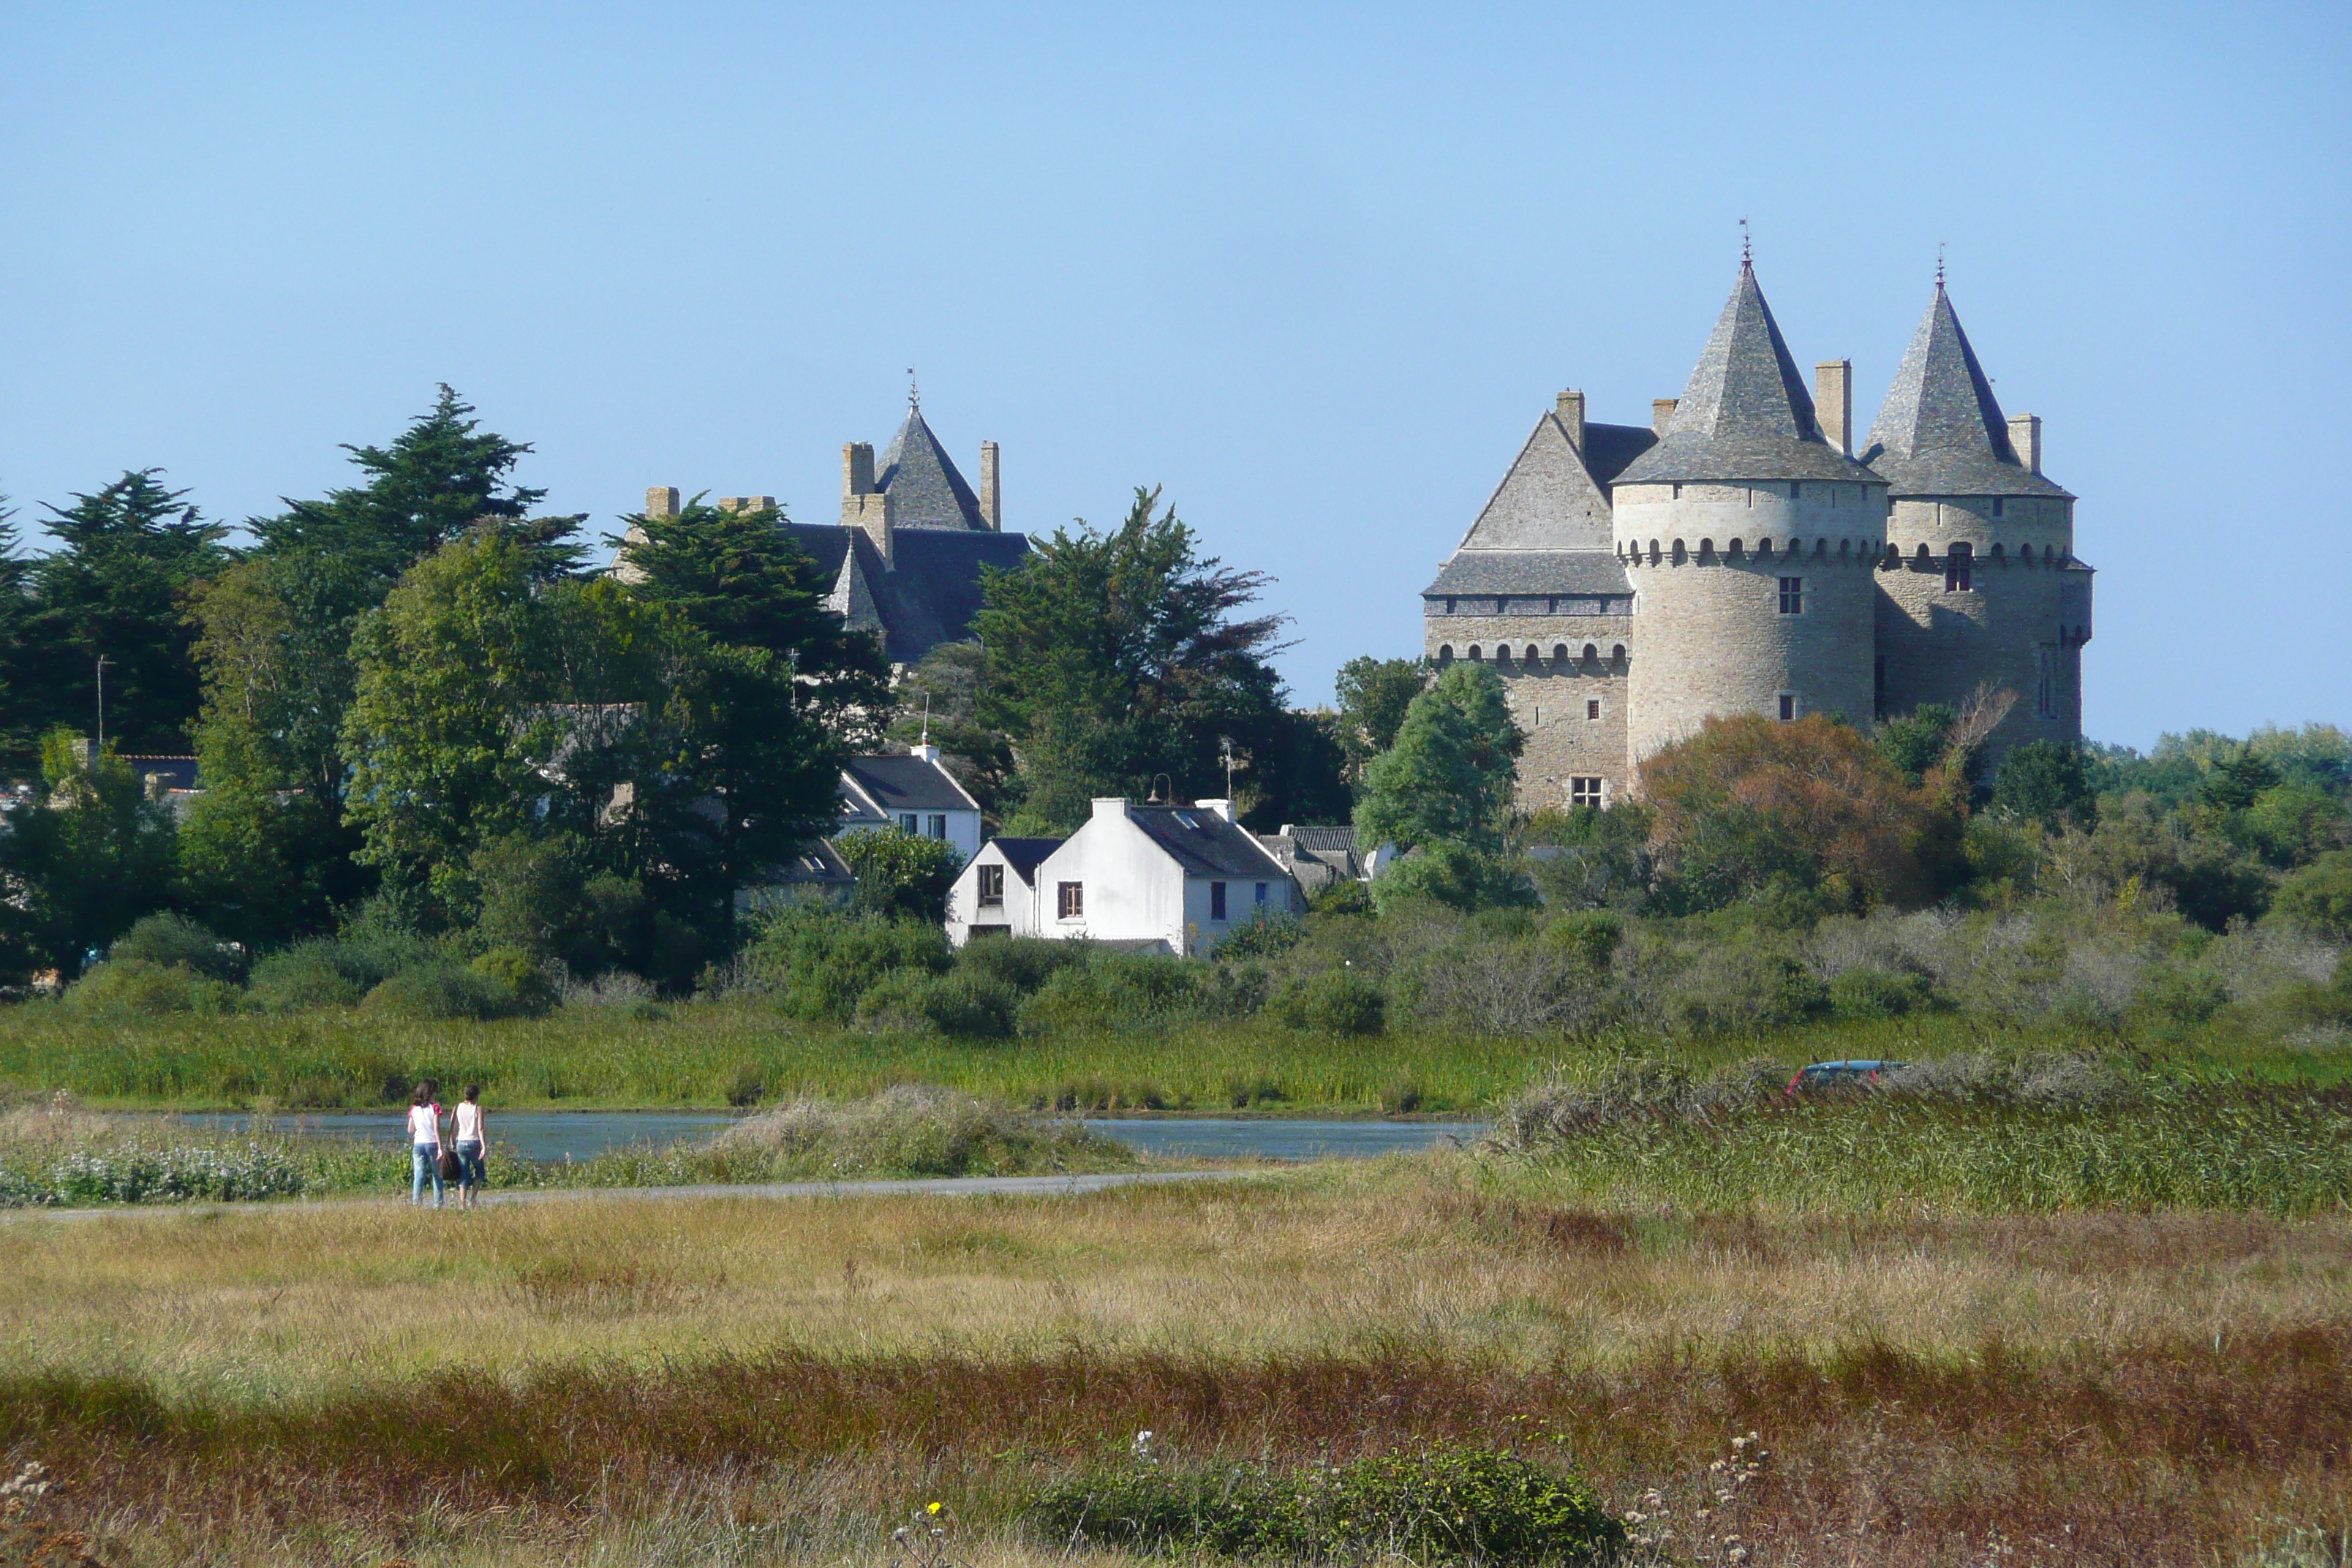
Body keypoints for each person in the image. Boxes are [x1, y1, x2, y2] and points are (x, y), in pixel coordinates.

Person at [407, 1083, 444, 1209]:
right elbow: (437, 1128)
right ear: (431, 1093)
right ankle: (438, 1204)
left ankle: (417, 1203)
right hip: (432, 1143)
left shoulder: (414, 1108)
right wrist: (440, 1147)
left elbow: (410, 1129)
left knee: (419, 1175)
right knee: (437, 1174)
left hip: (418, 1143)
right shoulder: (435, 1107)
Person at [452, 1084, 486, 1210]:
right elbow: (480, 1129)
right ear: (476, 1095)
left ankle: (463, 1204)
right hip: (474, 1142)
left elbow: (454, 1127)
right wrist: (484, 1147)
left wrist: (452, 1142)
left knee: (463, 1173)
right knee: (480, 1170)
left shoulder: (457, 1107)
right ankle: (473, 1198)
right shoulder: (478, 1109)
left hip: (460, 1142)